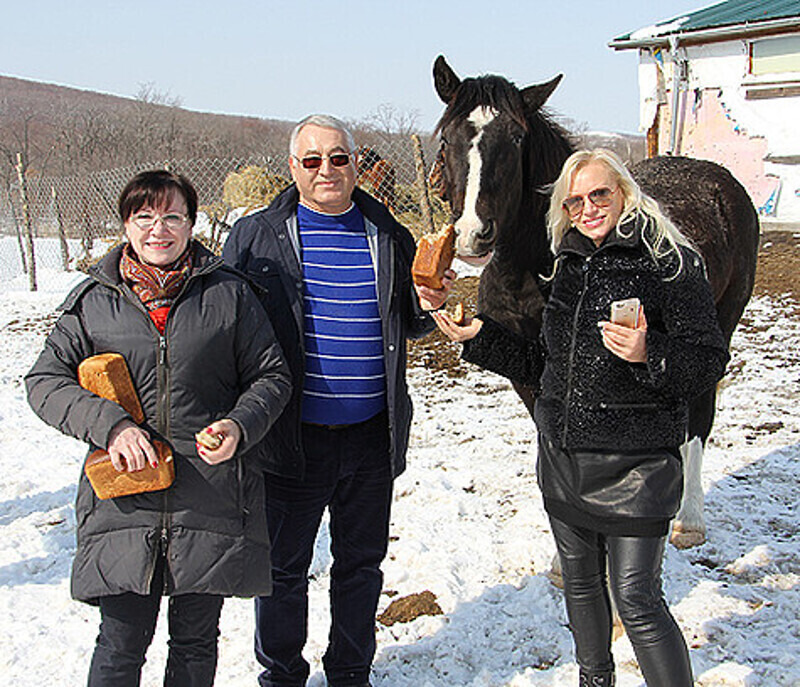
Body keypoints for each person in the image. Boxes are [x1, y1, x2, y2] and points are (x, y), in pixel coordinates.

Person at [432, 148, 729, 687]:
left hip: (636, 467)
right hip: (565, 461)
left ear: (624, 192)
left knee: (637, 600)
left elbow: (707, 362)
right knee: (583, 587)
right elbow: (547, 367)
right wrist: (480, 338)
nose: (588, 208)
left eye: (599, 194)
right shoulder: (566, 264)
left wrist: (649, 352)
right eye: (574, 201)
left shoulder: (670, 261)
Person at [25, 170, 292, 687]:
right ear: (126, 224)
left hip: (210, 495)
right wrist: (111, 426)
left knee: (195, 645)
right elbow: (44, 381)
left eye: (172, 216)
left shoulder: (230, 296)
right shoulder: (93, 302)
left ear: (192, 223)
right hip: (125, 498)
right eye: (144, 217)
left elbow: (272, 375)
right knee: (120, 645)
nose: (158, 229)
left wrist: (240, 424)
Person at [223, 114, 451, 687]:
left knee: (359, 567)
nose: (327, 169)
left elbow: (411, 322)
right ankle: (282, 675)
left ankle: (351, 673)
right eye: (312, 160)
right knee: (282, 570)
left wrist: (429, 302)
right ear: (293, 168)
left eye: (339, 158)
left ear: (355, 163)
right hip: (291, 439)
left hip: (373, 436)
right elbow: (226, 328)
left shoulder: (385, 231)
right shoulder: (256, 236)